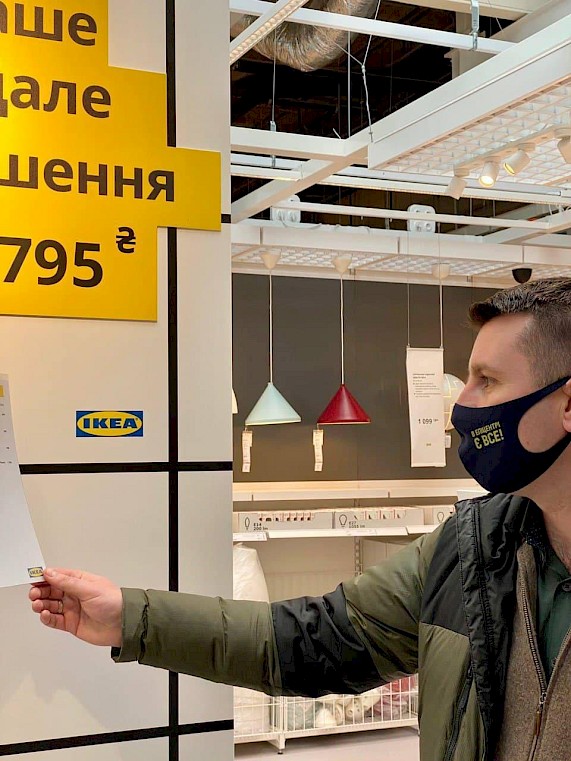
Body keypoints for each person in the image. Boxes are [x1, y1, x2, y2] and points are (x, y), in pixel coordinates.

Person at [29, 278, 571, 761]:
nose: (461, 406)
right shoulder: (471, 548)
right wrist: (131, 617)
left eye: (486, 380)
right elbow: (308, 641)